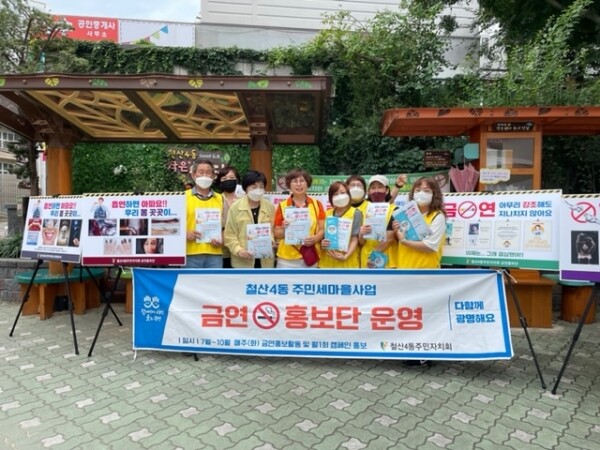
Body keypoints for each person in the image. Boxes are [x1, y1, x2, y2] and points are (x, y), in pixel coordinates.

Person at [392, 176, 447, 367]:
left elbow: (430, 246)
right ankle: (410, 349)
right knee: (408, 313)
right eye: (418, 190)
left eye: (426, 190)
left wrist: (403, 239)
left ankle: (425, 353)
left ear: (435, 194)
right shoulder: (406, 214)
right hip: (405, 270)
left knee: (424, 313)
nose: (421, 194)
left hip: (425, 273)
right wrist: (397, 231)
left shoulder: (437, 216)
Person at [274, 168, 325, 268]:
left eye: (302, 181)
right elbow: (276, 232)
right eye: (294, 181)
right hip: (286, 258)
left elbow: (322, 229)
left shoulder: (317, 204)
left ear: (307, 183)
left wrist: (314, 239)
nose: (298, 184)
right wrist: (284, 230)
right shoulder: (282, 206)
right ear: (289, 184)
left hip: (310, 255)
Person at [224, 170, 276, 268]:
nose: (258, 190)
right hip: (243, 262)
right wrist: (238, 250)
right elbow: (229, 235)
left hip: (265, 262)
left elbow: (273, 230)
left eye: (261, 187)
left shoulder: (270, 206)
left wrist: (272, 241)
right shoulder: (235, 207)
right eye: (254, 187)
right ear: (245, 188)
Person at [185, 160, 224, 268]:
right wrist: (185, 234)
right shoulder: (183, 197)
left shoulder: (220, 198)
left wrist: (222, 239)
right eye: (201, 172)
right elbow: (174, 225)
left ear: (213, 176)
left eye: (208, 172)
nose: (205, 175)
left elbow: (226, 226)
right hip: (190, 253)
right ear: (193, 175)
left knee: (215, 280)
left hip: (215, 253)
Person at [358, 175, 397, 268]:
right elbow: (361, 242)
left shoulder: (394, 210)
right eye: (373, 188)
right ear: (368, 191)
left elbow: (390, 238)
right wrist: (362, 234)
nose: (376, 191)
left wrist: (373, 256)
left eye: (380, 187)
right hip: (366, 261)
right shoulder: (362, 211)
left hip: (387, 260)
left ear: (386, 190)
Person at [320, 181, 362, 268]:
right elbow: (322, 236)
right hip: (327, 261)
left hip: (348, 261)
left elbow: (354, 239)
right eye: (335, 194)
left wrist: (345, 256)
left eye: (343, 193)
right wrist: (322, 243)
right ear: (331, 197)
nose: (340, 196)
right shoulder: (327, 214)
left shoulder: (356, 213)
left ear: (348, 195)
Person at [216, 166, 243, 268]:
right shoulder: (216, 199)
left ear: (237, 180)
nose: (228, 180)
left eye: (231, 178)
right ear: (219, 181)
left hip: (242, 248)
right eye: (224, 178)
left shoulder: (245, 199)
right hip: (222, 247)